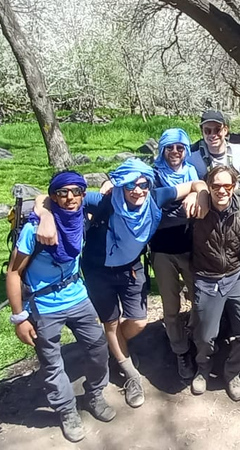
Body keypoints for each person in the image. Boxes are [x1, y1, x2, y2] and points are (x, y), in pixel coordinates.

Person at [36, 159, 206, 409]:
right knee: (111, 322)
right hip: (98, 271)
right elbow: (45, 196)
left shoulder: (156, 197)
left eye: (143, 184)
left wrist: (199, 195)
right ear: (121, 186)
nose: (138, 190)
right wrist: (45, 217)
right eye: (130, 185)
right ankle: (130, 373)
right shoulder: (104, 200)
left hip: (131, 269)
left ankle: (115, 346)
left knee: (138, 321)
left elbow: (195, 182)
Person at [6, 171, 114, 443]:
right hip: (43, 305)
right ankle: (67, 410)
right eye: (62, 193)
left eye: (76, 192)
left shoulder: (80, 220)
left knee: (98, 347)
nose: (70, 198)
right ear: (54, 197)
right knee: (53, 364)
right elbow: (13, 274)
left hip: (78, 297)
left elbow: (109, 196)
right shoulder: (34, 229)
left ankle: (94, 393)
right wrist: (19, 318)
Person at [190, 165, 240, 403]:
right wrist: (196, 191)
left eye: (226, 185)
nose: (221, 190)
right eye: (216, 186)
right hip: (206, 279)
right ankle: (203, 369)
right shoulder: (197, 209)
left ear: (234, 187)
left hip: (234, 277)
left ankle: (232, 373)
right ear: (208, 187)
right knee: (206, 336)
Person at [150, 128, 200, 380]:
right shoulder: (153, 176)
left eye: (180, 147)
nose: (175, 152)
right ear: (162, 149)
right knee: (171, 305)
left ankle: (193, 336)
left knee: (199, 299)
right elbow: (156, 215)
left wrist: (193, 192)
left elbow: (201, 206)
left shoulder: (193, 174)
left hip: (191, 248)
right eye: (170, 147)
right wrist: (182, 208)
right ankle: (180, 350)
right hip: (162, 252)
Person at [188, 109, 240, 180]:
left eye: (217, 130)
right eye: (207, 131)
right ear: (202, 132)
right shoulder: (191, 158)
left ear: (225, 130)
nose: (213, 135)